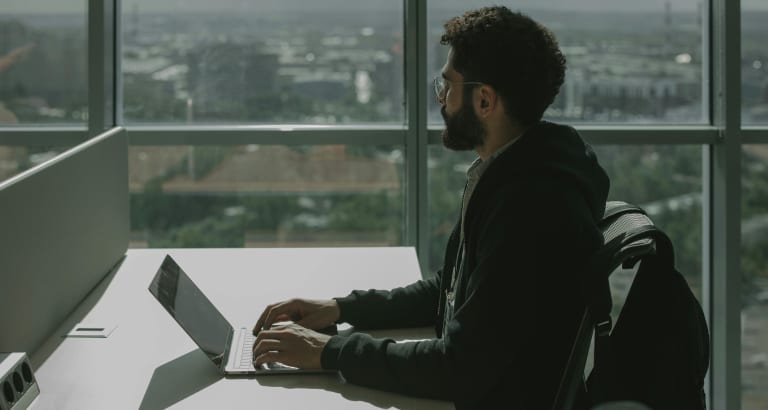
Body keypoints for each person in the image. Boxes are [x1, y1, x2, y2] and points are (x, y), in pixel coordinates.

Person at [251, 6, 609, 408]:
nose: (441, 97)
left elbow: (457, 368)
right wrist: (340, 308)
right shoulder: (519, 171)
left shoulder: (530, 209)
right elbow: (453, 289)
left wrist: (328, 352)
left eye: (448, 85)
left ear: (485, 100)